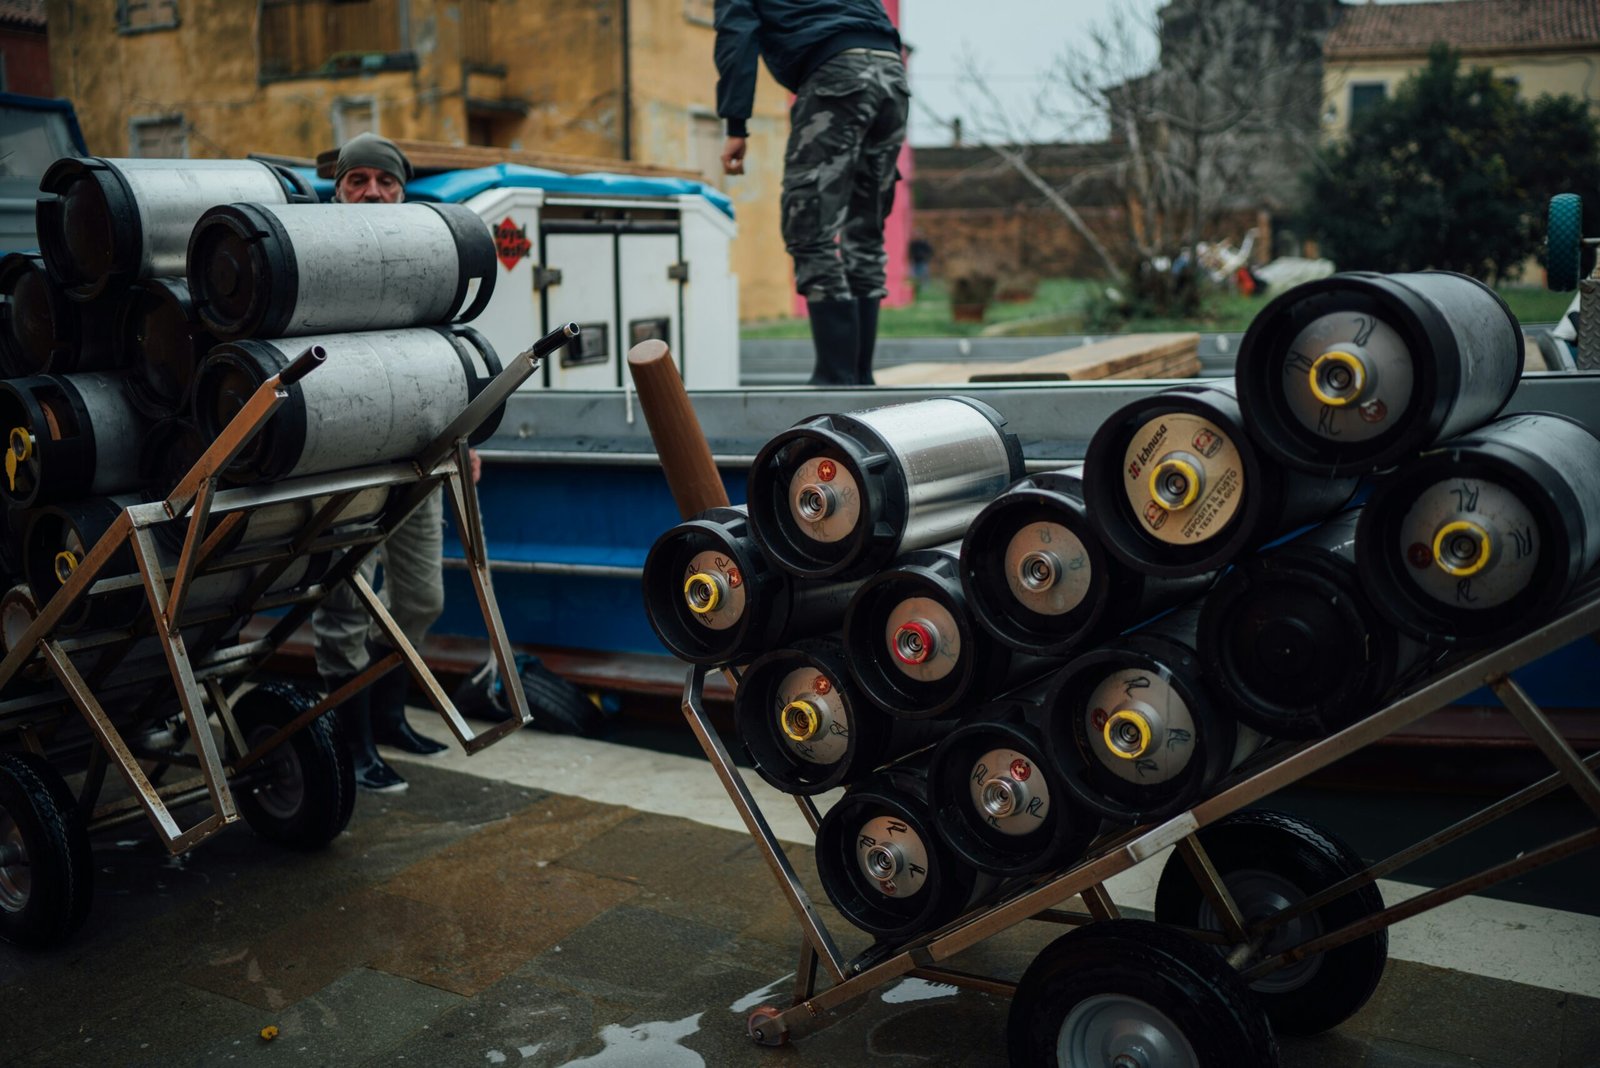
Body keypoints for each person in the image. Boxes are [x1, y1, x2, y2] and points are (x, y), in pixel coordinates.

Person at [314, 132, 456, 793]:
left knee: (422, 597)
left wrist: (463, 439)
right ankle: (353, 744)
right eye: (358, 180)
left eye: (386, 182)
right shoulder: (316, 263)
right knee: (346, 609)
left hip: (418, 460)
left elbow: (445, 352)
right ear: (338, 191)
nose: (373, 192)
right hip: (341, 466)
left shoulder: (428, 264)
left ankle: (390, 714)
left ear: (404, 192)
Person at [714, 0, 909, 386]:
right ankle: (859, 376)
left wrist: (736, 125)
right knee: (864, 231)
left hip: (837, 73)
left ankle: (836, 378)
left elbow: (737, 36)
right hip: (891, 73)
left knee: (810, 228)